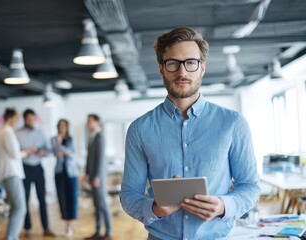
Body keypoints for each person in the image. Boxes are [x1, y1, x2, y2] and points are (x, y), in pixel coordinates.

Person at [120, 27, 260, 240]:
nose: (182, 72)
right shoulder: (140, 129)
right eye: (173, 63)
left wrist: (224, 205)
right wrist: (154, 209)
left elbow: (250, 186)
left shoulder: (233, 123)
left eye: (191, 63)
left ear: (202, 68)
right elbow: (129, 194)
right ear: (161, 69)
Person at [16, 109, 54, 237]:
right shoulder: (17, 133)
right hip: (24, 168)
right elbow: (15, 152)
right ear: (24, 119)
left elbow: (48, 150)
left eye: (32, 119)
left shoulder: (40, 133)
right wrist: (25, 151)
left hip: (38, 167)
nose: (30, 121)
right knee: (25, 199)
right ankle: (27, 228)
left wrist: (41, 152)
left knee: (42, 199)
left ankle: (46, 227)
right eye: (28, 119)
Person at [0, 108, 31, 240]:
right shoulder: (7, 132)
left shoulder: (2, 131)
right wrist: (27, 152)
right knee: (20, 208)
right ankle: (11, 237)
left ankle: (11, 236)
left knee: (15, 208)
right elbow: (15, 154)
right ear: (11, 118)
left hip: (8, 173)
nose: (18, 122)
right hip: (12, 173)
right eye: (17, 119)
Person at [84, 114, 113, 240]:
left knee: (102, 205)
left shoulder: (99, 137)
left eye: (90, 121)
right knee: (96, 205)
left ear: (97, 122)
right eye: (87, 122)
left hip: (98, 178)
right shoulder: (92, 137)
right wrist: (87, 174)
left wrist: (96, 177)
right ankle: (97, 231)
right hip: (92, 177)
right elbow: (89, 158)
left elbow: (100, 159)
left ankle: (108, 232)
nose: (88, 124)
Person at [51, 119, 78, 237]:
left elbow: (73, 154)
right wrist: (61, 147)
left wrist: (63, 151)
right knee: (62, 198)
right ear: (58, 127)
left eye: (64, 126)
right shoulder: (54, 139)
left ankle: (70, 225)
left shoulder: (71, 139)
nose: (62, 128)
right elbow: (57, 154)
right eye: (60, 126)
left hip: (71, 172)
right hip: (59, 172)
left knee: (71, 197)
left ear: (67, 127)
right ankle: (66, 224)